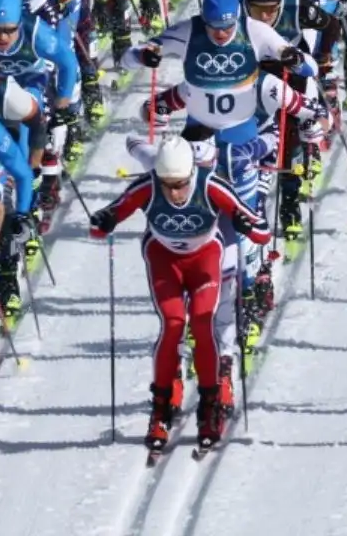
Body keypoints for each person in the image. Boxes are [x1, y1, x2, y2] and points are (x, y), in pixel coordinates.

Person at [88, 134, 272, 454]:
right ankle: (160, 409)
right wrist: (103, 221)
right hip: (164, 259)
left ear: (191, 173)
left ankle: (209, 405)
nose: (174, 193)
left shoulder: (211, 185)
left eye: (181, 185)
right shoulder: (147, 187)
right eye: (167, 185)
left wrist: (246, 225)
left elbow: (262, 232)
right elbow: (104, 220)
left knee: (202, 322)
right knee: (173, 324)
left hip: (204, 258)